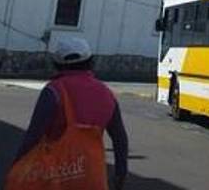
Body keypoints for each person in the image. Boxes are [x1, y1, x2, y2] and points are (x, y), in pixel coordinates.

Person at [14, 37, 129, 190]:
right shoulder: (106, 94)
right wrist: (120, 172)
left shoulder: (53, 91)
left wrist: (17, 166)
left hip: (55, 175)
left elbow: (33, 135)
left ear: (57, 64)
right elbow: (119, 138)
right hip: (92, 176)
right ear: (91, 62)